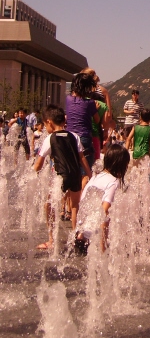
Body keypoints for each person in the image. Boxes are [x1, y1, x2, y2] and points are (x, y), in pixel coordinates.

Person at [34, 105, 92, 251]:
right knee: (74, 207)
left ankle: (52, 240)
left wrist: (32, 174)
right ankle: (76, 237)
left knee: (49, 206)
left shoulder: (50, 138)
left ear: (49, 122)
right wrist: (89, 174)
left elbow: (39, 163)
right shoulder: (74, 136)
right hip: (75, 175)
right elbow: (82, 158)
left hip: (61, 177)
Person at [75, 143, 130, 253]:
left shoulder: (96, 177)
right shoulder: (113, 182)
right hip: (93, 240)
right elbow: (104, 212)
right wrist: (103, 248)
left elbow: (83, 204)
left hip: (81, 236)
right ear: (120, 165)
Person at [66, 73, 100, 175]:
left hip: (70, 137)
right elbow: (97, 120)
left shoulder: (68, 99)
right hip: (84, 137)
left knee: (72, 168)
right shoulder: (90, 103)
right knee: (85, 171)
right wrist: (96, 109)